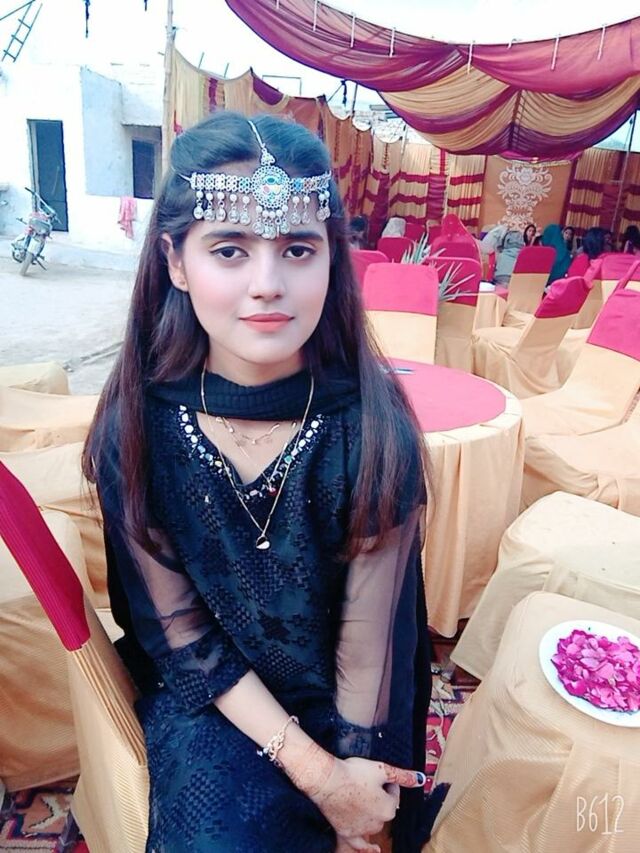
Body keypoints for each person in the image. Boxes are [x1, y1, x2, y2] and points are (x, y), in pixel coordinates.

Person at [82, 112, 442, 853]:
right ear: (176, 261)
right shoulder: (136, 426)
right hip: (215, 699)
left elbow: (371, 641)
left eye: (298, 248)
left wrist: (353, 775)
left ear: (333, 259)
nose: (268, 285)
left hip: (351, 700)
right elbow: (181, 633)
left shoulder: (372, 425)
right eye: (230, 249)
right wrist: (314, 773)